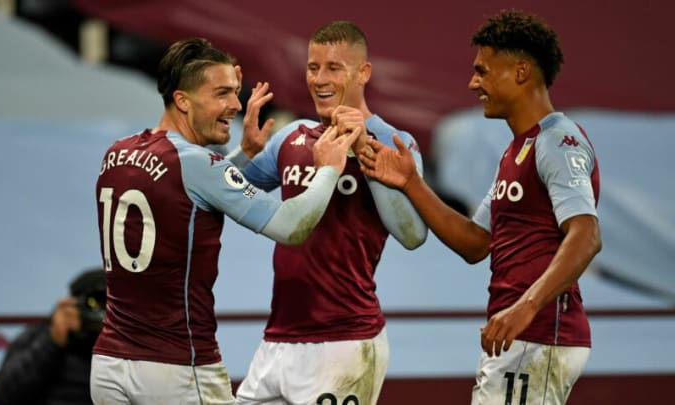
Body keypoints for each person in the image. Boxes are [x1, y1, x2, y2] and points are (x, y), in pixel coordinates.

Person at [91, 38, 360, 405]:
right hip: (178, 368)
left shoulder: (118, 152)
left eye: (235, 92)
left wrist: (245, 153)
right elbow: (290, 227)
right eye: (221, 93)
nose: (236, 105)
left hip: (108, 364)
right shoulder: (198, 164)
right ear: (183, 100)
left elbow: (188, 191)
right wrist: (328, 169)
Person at [359, 9, 602, 404]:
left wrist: (525, 307)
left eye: (483, 71)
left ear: (521, 71)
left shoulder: (559, 141)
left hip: (538, 336)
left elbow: (587, 236)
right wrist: (412, 183)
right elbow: (475, 243)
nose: (473, 83)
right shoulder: (516, 151)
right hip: (520, 337)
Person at [236, 21, 428, 405]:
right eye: (313, 67)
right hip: (278, 339)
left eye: (334, 68)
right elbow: (232, 190)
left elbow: (412, 235)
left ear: (364, 73)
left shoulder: (395, 142)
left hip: (344, 343)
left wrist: (364, 148)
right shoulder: (291, 137)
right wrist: (245, 151)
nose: (319, 79)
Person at [0, 268, 106, 405]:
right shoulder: (39, 336)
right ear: (73, 303)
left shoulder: (128, 343)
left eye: (111, 304)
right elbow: (3, 396)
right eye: (94, 303)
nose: (103, 312)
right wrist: (52, 341)